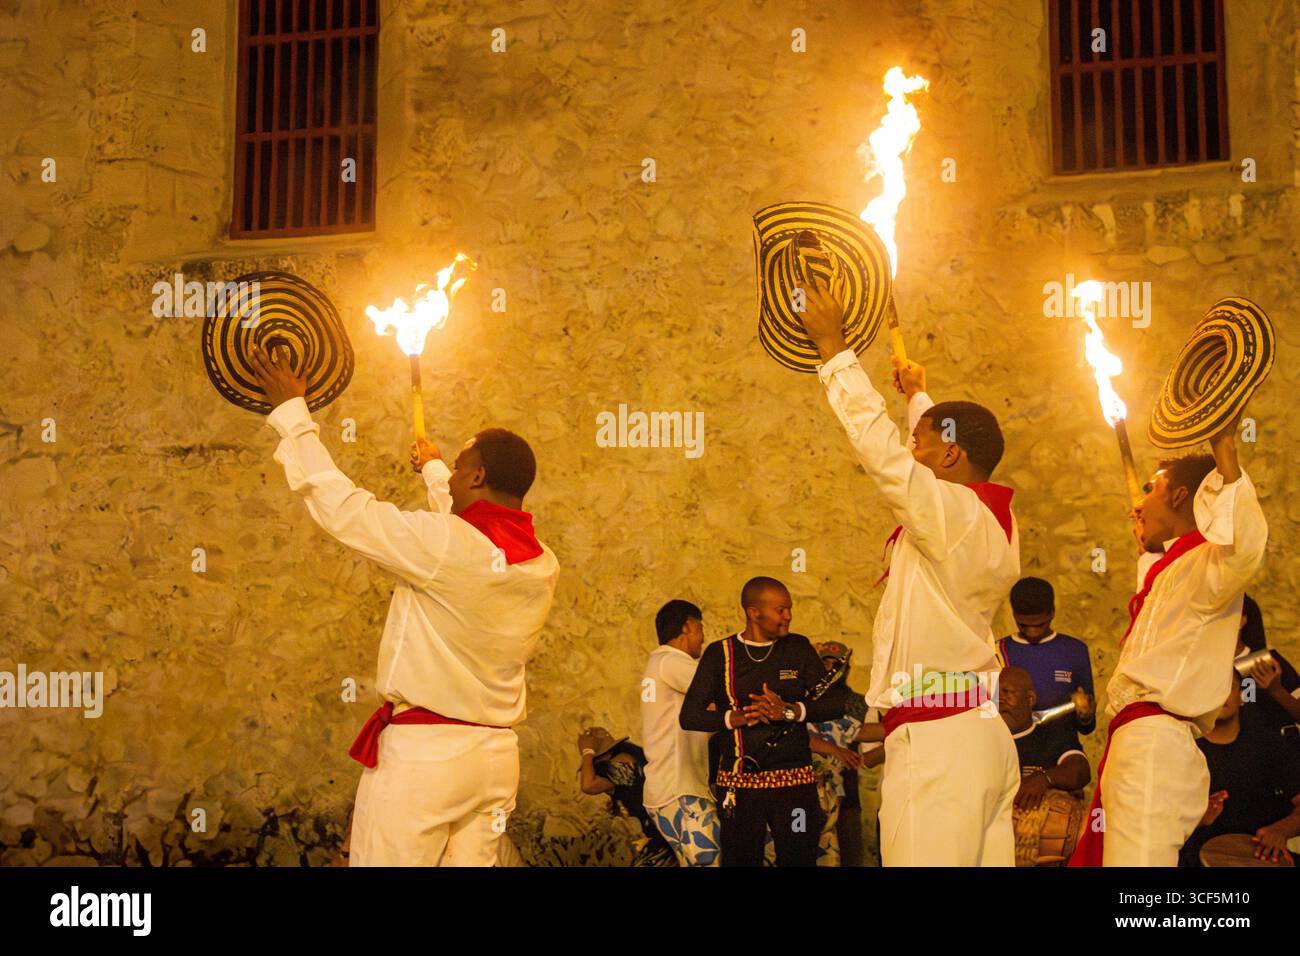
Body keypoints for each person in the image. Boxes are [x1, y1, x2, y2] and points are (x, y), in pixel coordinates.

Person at [249, 345, 560, 866]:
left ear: (478, 478)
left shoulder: (444, 546)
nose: (455, 478)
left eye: (464, 469)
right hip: (495, 761)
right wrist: (439, 469)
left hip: (426, 760)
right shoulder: (542, 563)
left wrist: (292, 416)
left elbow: (344, 507)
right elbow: (468, 533)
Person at [799, 281, 1021, 867]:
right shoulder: (991, 519)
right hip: (979, 737)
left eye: (919, 441)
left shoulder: (950, 516)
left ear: (947, 456)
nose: (910, 447)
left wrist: (834, 350)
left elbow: (885, 457)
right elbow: (935, 458)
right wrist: (919, 396)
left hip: (939, 746)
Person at [1069, 418, 1268, 867]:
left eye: (1151, 490)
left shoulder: (1210, 562)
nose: (1138, 503)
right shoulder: (1172, 568)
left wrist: (1223, 446)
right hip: (1143, 742)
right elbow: (1154, 591)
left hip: (1154, 744)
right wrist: (1149, 546)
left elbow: (1246, 544)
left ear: (1180, 496)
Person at [679, 577, 844, 866]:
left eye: (789, 609)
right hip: (740, 787)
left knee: (799, 858)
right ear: (754, 612)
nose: (788, 616)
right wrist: (735, 717)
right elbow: (689, 715)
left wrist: (790, 711)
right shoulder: (721, 654)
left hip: (795, 785)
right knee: (742, 861)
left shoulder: (798, 647)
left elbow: (833, 704)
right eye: (781, 610)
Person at [1179, 673, 1300, 866]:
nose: (1220, 695)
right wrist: (1196, 819)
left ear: (1242, 696)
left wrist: (1280, 831)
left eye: (1228, 686)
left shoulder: (1270, 746)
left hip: (1263, 854)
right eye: (1211, 688)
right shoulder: (1181, 750)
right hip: (1194, 858)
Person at [640, 600, 721, 866]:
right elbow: (722, 695)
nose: (703, 637)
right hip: (679, 790)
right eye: (700, 628)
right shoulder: (673, 662)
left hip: (670, 789)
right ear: (687, 626)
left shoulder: (659, 663)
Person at [995, 577, 1096, 735]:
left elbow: (1087, 728)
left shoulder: (1075, 651)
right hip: (1014, 747)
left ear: (1052, 612)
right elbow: (987, 716)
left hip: (1063, 748)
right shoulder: (997, 652)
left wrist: (1086, 716)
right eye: (1023, 625)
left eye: (1039, 624)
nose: (1032, 632)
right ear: (1014, 615)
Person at [806, 641, 873, 866]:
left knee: (846, 853)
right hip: (806, 794)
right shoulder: (802, 700)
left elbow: (873, 733)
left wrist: (865, 760)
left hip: (845, 795)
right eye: (825, 662)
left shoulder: (855, 702)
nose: (830, 669)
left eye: (836, 664)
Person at [578, 727, 676, 867]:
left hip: (662, 840)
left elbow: (588, 785)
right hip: (661, 836)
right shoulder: (627, 757)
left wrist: (587, 751)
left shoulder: (621, 762)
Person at [997, 667, 1090, 806]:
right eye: (995, 695)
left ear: (1030, 699)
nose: (1000, 700)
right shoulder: (983, 740)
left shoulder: (1052, 735)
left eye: (1007, 692)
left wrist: (1045, 778)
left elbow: (1081, 770)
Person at [1235, 594, 1300, 737]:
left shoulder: (1266, 662)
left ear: (1241, 620)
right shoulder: (1202, 667)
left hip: (1277, 753)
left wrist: (1276, 690)